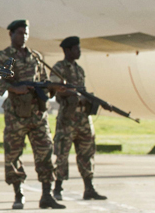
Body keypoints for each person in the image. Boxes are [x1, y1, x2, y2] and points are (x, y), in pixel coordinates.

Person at [0, 20, 65, 210]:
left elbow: (44, 81)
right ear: (11, 34)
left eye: (26, 33)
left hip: (37, 115)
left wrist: (53, 88)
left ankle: (46, 195)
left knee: (46, 152)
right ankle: (18, 194)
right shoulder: (3, 56)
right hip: (15, 115)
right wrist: (12, 87)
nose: (24, 36)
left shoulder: (35, 57)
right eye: (20, 33)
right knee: (13, 155)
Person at [50, 36, 107, 201]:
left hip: (83, 118)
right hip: (68, 117)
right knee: (62, 153)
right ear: (67, 50)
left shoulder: (79, 70)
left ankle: (89, 188)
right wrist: (72, 92)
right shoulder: (59, 68)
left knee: (87, 153)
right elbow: (55, 88)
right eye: (76, 48)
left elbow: (83, 90)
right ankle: (57, 188)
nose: (79, 51)